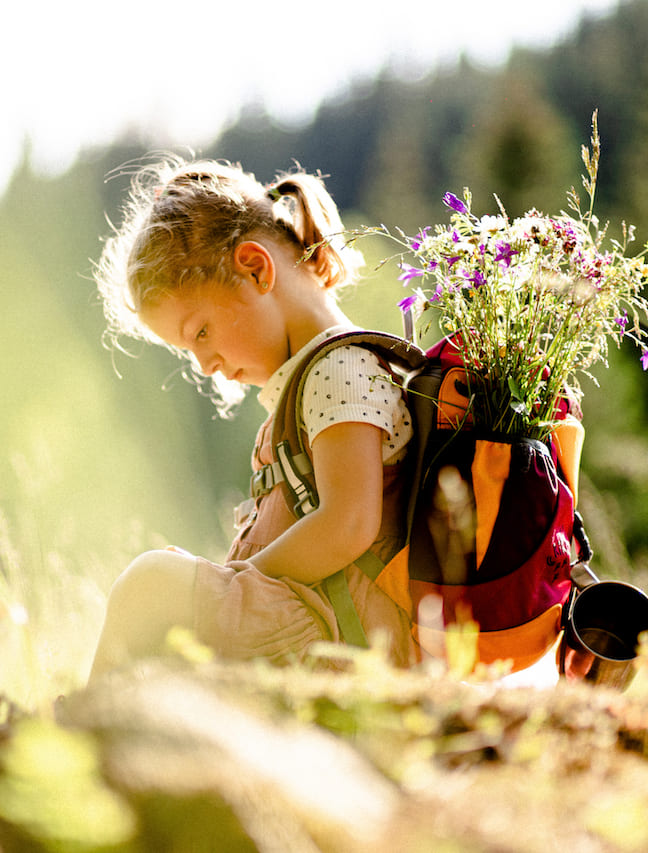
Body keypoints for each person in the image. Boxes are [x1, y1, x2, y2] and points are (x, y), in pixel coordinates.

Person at [88, 157, 417, 679]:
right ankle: (112, 729)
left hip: (342, 638)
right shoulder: (313, 382)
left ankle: (80, 733)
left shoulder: (341, 369)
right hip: (318, 624)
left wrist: (236, 579)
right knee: (164, 596)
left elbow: (349, 522)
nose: (205, 365)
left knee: (150, 584)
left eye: (200, 333)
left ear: (256, 269)